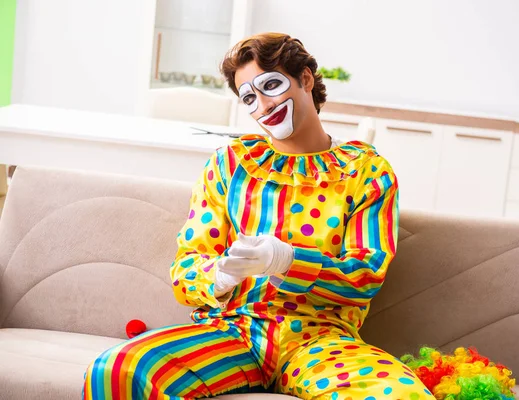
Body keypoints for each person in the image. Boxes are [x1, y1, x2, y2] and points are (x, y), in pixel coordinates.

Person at [83, 32, 434, 399]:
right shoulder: (230, 164)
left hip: (321, 341)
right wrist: (216, 276)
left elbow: (366, 275)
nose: (263, 105)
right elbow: (186, 266)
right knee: (117, 371)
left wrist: (288, 260)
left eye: (270, 86)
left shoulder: (366, 172)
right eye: (249, 97)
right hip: (231, 331)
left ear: (306, 79)